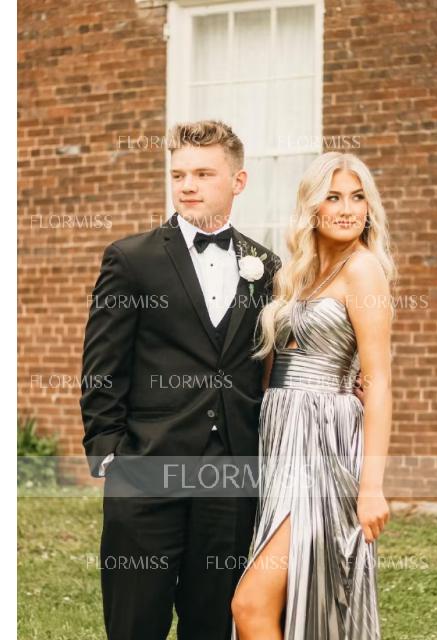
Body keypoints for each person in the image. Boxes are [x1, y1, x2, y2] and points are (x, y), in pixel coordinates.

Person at [79, 120, 281, 640]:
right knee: (135, 622)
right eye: (178, 174)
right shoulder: (132, 259)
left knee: (211, 622)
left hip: (231, 476)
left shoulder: (265, 265)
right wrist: (109, 454)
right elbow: (102, 364)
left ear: (238, 181)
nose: (187, 185)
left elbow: (269, 361)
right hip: (148, 469)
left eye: (203, 174)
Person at [231, 151, 396, 639]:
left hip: (324, 449)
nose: (347, 209)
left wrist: (371, 487)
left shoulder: (363, 269)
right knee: (295, 601)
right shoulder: (299, 274)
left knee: (251, 605)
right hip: (283, 442)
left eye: (357, 198)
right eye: (333, 197)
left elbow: (379, 381)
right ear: (312, 207)